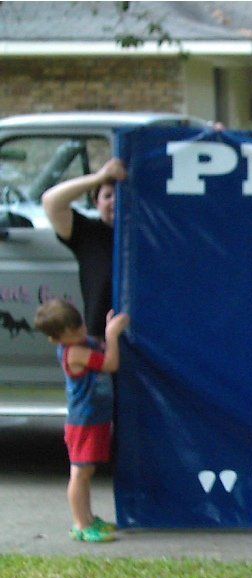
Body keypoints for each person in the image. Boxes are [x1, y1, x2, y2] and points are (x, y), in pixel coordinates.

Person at [34, 298, 130, 542]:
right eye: (74, 332)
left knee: (87, 472)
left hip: (95, 419)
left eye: (81, 326)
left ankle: (88, 518)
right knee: (80, 473)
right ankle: (80, 524)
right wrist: (112, 335)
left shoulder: (81, 341)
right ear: (57, 339)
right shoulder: (73, 351)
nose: (82, 332)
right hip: (83, 422)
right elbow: (110, 363)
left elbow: (98, 347)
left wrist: (105, 334)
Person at [42, 157, 127, 337]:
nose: (115, 201)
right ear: (96, 202)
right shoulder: (87, 233)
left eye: (122, 195)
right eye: (108, 196)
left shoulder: (149, 234)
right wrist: (99, 177)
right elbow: (51, 202)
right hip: (99, 340)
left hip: (145, 340)